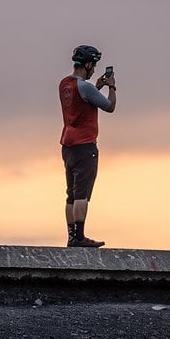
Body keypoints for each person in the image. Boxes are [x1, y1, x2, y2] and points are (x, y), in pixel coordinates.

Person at [58, 44, 116, 247]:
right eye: (94, 65)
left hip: (67, 144)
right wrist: (111, 86)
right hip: (85, 145)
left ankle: (72, 236)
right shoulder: (85, 87)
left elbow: (81, 101)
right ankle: (80, 238)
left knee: (71, 193)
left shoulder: (64, 84)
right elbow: (110, 107)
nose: (94, 70)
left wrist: (96, 87)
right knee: (82, 192)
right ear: (88, 64)